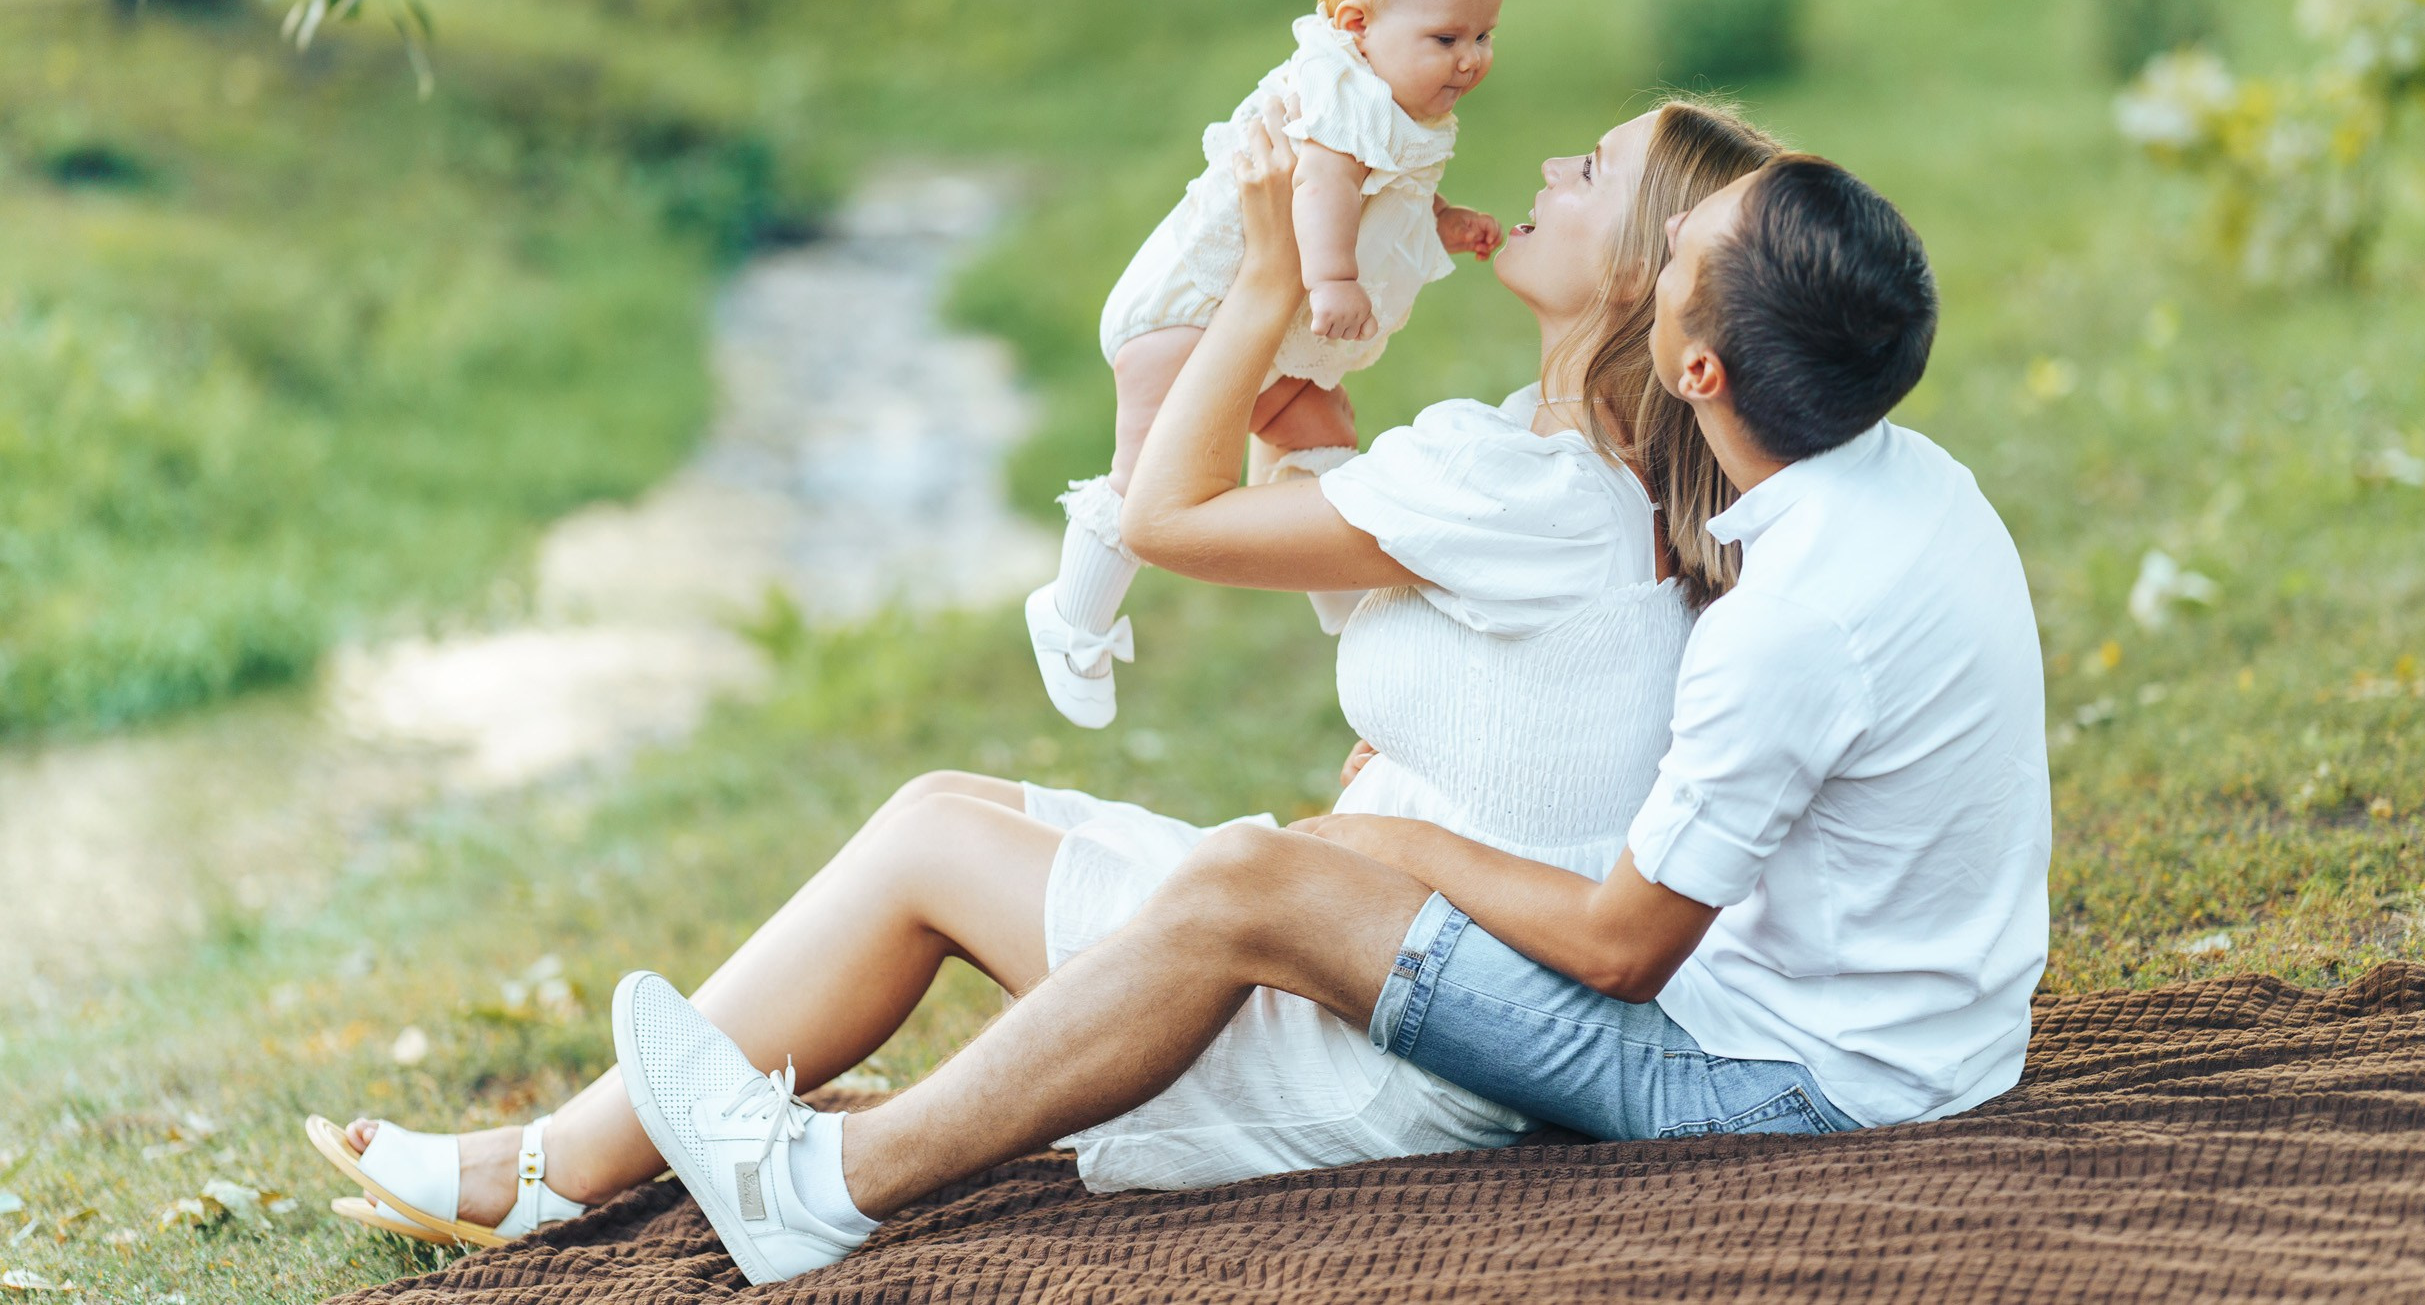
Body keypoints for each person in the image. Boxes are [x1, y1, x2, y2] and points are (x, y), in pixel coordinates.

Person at [305, 93, 1780, 1258]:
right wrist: (1296, 380)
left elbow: (1166, 521)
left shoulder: (1512, 485)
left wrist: (1265, 278)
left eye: (1590, 169)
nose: (1547, 166)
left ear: (1645, 269)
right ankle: (599, 1146)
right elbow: (1372, 570)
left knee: (931, 841)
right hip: (1402, 981)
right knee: (951, 794)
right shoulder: (1577, 480)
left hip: (1377, 1037)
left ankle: (542, 1173)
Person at [589, 126, 2049, 1288]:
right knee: (1249, 865)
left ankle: (820, 1182)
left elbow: (1618, 945)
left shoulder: (1785, 618)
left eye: (1677, 249)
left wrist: (1388, 852)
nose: (1660, 232)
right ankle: (681, 1158)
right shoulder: (1906, 486)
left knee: (1253, 876)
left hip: (1797, 1090)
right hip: (1921, 1034)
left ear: (1698, 366)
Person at [1027, 0, 1507, 729]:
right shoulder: (1337, 93)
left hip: (1273, 341)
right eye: (1446, 36)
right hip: (1187, 315)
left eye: (1483, 33)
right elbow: (1322, 186)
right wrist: (1330, 281)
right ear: (1357, 26)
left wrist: (1443, 223)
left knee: (1322, 429)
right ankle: (1070, 616)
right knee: (1143, 477)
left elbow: (1383, 201)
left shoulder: (1397, 96)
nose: (1470, 57)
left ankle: (1359, 621)